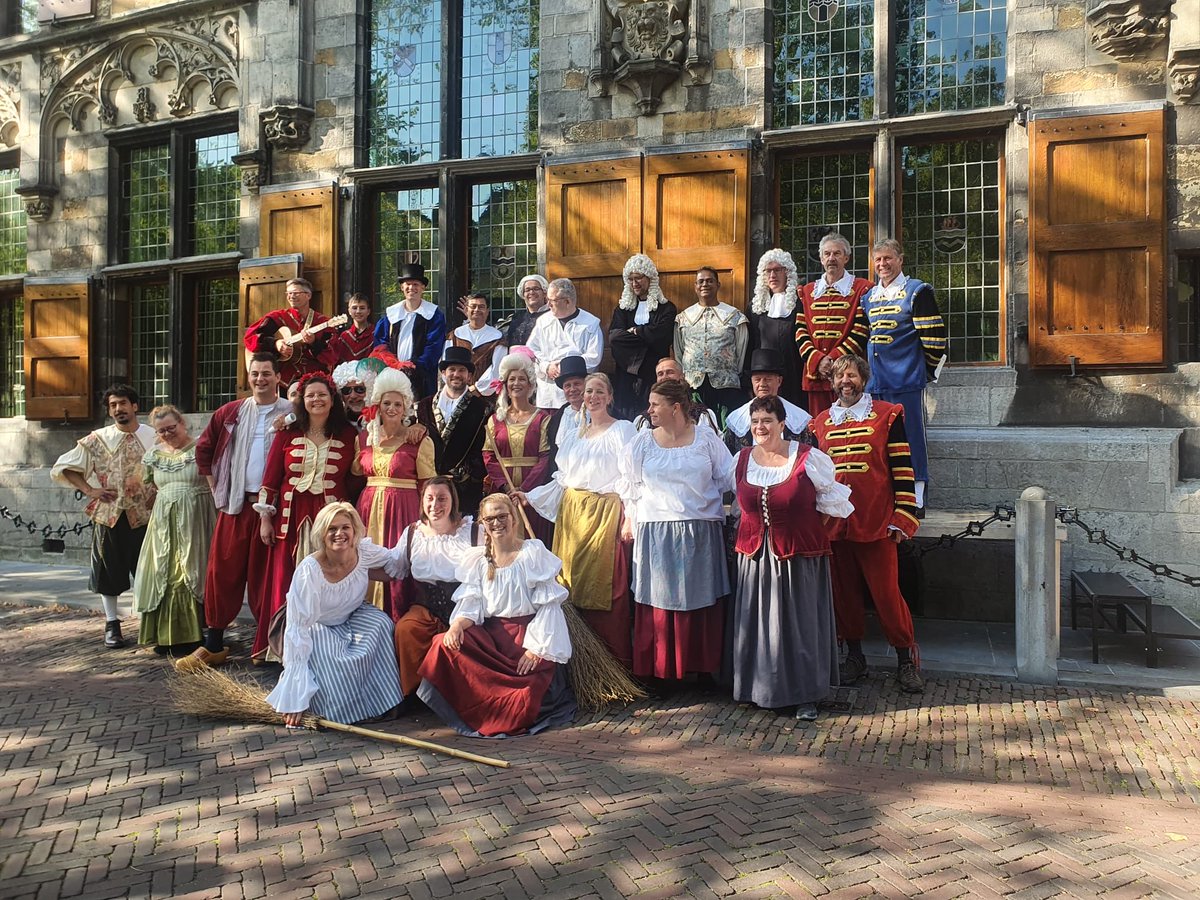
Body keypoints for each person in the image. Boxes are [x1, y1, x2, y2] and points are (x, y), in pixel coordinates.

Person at [731, 396, 854, 721]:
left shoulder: (808, 458)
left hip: (798, 558)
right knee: (759, 626)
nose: (760, 427)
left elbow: (832, 506)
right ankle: (758, 689)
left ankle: (805, 695)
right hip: (755, 557)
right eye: (755, 421)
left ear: (782, 424)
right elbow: (738, 506)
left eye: (767, 421)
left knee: (799, 627)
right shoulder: (741, 459)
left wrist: (804, 532)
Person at [417, 493, 576, 737]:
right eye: (489, 519)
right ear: (483, 524)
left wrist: (535, 650)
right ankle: (468, 708)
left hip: (526, 641)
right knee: (442, 644)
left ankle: (501, 708)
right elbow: (472, 605)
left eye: (502, 516)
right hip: (492, 641)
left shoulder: (532, 553)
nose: (496, 523)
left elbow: (548, 607)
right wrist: (457, 626)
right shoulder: (479, 560)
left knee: (522, 701)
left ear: (514, 518)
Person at [811, 354, 925, 693]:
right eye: (839, 376)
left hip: (877, 522)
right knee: (844, 595)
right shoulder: (820, 423)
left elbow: (903, 467)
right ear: (832, 382)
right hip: (835, 525)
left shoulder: (888, 415)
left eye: (851, 375)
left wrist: (903, 516)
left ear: (863, 379)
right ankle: (855, 657)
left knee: (887, 595)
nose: (845, 381)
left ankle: (905, 659)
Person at [181, 353, 293, 671]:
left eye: (267, 373)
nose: (260, 379)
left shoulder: (292, 412)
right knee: (222, 572)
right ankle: (214, 643)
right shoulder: (231, 412)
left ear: (278, 377)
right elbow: (204, 449)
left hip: (273, 508)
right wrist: (216, 487)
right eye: (255, 373)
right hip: (236, 504)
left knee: (265, 576)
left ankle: (266, 644)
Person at [621, 378, 735, 683]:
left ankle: (703, 669)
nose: (649, 410)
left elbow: (728, 477)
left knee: (702, 597)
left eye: (655, 404)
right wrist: (630, 519)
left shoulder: (706, 439)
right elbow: (631, 486)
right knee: (659, 600)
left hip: (700, 528)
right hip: (656, 529)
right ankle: (661, 671)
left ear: (675, 408)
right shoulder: (642, 442)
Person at [522, 373, 636, 667]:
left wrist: (629, 518)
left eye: (599, 391)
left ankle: (611, 662)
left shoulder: (622, 430)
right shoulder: (573, 436)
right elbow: (563, 481)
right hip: (572, 514)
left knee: (606, 588)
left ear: (609, 397)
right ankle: (576, 661)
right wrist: (529, 497)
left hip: (604, 513)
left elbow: (631, 478)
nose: (592, 396)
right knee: (569, 583)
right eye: (588, 391)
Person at [265, 503, 403, 726]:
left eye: (345, 527)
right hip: (314, 623)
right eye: (332, 529)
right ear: (322, 534)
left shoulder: (364, 552)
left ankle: (380, 702)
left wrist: (420, 537)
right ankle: (342, 711)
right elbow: (298, 627)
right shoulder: (310, 570)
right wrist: (295, 696)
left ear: (354, 530)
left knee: (381, 624)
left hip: (352, 614)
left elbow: (396, 559)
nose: (340, 534)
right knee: (330, 652)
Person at [254, 372, 359, 661]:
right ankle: (281, 650)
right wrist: (265, 518)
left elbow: (354, 481)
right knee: (286, 580)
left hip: (330, 520)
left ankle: (322, 650)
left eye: (322, 394)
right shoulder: (287, 432)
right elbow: (271, 478)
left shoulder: (348, 434)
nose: (316, 400)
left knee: (326, 580)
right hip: (290, 518)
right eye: (310, 395)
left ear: (332, 399)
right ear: (302, 400)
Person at [51, 384, 157, 648]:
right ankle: (112, 624)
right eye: (113, 405)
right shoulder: (98, 439)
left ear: (134, 406)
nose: (119, 409)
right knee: (107, 571)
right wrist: (89, 490)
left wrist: (159, 491)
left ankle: (151, 624)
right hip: (110, 515)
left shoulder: (153, 436)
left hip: (147, 515)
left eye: (123, 403)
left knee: (150, 571)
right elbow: (64, 466)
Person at [863, 239, 947, 511]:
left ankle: (916, 495)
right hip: (876, 382)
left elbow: (934, 339)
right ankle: (887, 494)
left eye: (888, 258)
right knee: (880, 439)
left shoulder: (917, 291)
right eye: (878, 259)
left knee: (911, 437)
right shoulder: (869, 297)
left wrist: (922, 371)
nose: (883, 264)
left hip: (906, 379)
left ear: (900, 259)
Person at [131, 406, 215, 654]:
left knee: (190, 570)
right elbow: (147, 486)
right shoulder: (154, 455)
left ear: (182, 423)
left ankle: (194, 634)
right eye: (161, 431)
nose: (167, 434)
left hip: (196, 519)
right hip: (163, 522)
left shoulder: (201, 448)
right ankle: (165, 636)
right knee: (162, 572)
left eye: (171, 428)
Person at [354, 367, 436, 619]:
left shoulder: (418, 440)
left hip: (403, 510)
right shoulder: (364, 438)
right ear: (378, 405)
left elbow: (428, 484)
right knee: (364, 561)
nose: (391, 408)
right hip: (367, 509)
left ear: (406, 407)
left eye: (397, 404)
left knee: (399, 565)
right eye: (386, 403)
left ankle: (398, 621)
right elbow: (355, 472)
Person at [391, 477, 480, 697]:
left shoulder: (472, 531)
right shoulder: (413, 533)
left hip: (465, 605)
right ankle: (416, 694)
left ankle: (458, 696)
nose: (435, 505)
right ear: (422, 501)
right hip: (426, 607)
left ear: (453, 501)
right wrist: (355, 564)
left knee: (473, 639)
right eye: (429, 498)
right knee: (406, 629)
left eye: (442, 498)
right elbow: (394, 566)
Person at [796, 233, 872, 416]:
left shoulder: (862, 288)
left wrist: (834, 360)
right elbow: (800, 330)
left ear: (846, 258)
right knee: (819, 424)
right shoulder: (806, 291)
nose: (831, 258)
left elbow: (861, 330)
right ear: (821, 258)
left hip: (849, 374)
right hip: (816, 374)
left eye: (837, 253)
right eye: (827, 254)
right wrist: (817, 360)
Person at [483, 352, 555, 545]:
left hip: (532, 492)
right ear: (505, 385)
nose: (516, 383)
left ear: (530, 384)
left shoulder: (542, 418)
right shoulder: (495, 419)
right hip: (502, 490)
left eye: (522, 379)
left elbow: (544, 457)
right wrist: (506, 487)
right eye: (512, 379)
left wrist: (524, 490)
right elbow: (489, 456)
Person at [416, 345, 490, 517]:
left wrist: (468, 474)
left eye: (462, 370)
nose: (456, 374)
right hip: (430, 489)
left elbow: (484, 449)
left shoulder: (482, 408)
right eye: (452, 369)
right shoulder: (424, 406)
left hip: (465, 491)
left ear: (469, 376)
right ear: (443, 373)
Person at [673, 266, 748, 426]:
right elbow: (679, 350)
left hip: (726, 386)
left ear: (718, 285)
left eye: (709, 281)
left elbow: (742, 350)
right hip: (693, 386)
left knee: (726, 426)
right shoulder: (683, 318)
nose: (705, 284)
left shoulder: (734, 316)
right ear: (695, 286)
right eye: (700, 281)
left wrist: (733, 372)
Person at [608, 254, 678, 420]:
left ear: (650, 278)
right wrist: (646, 336)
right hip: (626, 375)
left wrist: (636, 332)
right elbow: (615, 338)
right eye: (631, 279)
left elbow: (662, 336)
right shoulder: (622, 310)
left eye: (638, 278)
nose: (634, 283)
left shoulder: (666, 308)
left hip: (653, 374)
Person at [526, 278, 603, 409]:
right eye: (548, 300)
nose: (548, 304)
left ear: (567, 301)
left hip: (578, 394)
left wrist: (566, 367)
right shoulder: (543, 322)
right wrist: (546, 366)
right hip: (548, 395)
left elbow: (594, 357)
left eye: (552, 300)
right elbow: (531, 350)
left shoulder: (590, 323)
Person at [244, 278, 337, 385]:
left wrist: (314, 342)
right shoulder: (277, 317)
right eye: (289, 293)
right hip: (283, 381)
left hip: (314, 381)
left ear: (308, 295)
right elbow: (250, 338)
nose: (292, 296)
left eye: (296, 293)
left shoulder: (323, 322)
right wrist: (275, 344)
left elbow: (332, 357)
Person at [373, 261, 446, 397]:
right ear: (402, 287)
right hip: (392, 374)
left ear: (423, 287)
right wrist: (393, 364)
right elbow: (381, 344)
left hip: (422, 377)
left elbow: (434, 346)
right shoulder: (391, 315)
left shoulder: (434, 315)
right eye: (408, 284)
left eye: (416, 284)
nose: (411, 287)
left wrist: (413, 366)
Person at [723, 349, 812, 453]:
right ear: (752, 381)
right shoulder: (736, 420)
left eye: (768, 379)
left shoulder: (799, 419)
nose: (762, 384)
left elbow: (808, 454)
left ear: (779, 381)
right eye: (757, 379)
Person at [747, 249, 804, 407]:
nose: (772, 275)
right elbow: (750, 345)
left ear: (787, 273)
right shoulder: (755, 308)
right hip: (764, 375)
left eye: (777, 270)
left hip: (793, 372)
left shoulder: (799, 304)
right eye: (768, 271)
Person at [632, 357, 720, 433]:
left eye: (670, 372)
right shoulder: (645, 420)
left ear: (682, 376)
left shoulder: (701, 415)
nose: (665, 377)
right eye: (660, 374)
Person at [447, 292, 505, 397]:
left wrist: (478, 388)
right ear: (466, 309)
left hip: (486, 396)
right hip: (457, 393)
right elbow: (446, 364)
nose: (477, 310)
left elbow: (498, 369)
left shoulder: (498, 338)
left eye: (481, 307)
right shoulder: (455, 336)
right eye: (473, 306)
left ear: (487, 311)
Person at [547, 355, 589, 456]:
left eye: (577, 384)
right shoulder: (557, 418)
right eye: (567, 385)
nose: (572, 389)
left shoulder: (601, 413)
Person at [504, 274, 549, 349]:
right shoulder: (517, 317)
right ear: (523, 295)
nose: (532, 292)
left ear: (544, 293)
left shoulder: (551, 315)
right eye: (527, 290)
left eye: (536, 288)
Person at [332, 292, 376, 363]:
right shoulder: (344, 337)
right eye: (354, 308)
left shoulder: (376, 334)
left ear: (368, 311)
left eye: (362, 308)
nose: (358, 311)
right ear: (349, 311)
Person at [331, 361, 371, 430]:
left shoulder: (382, 420)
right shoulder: (335, 422)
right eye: (346, 390)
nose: (353, 396)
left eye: (360, 389)